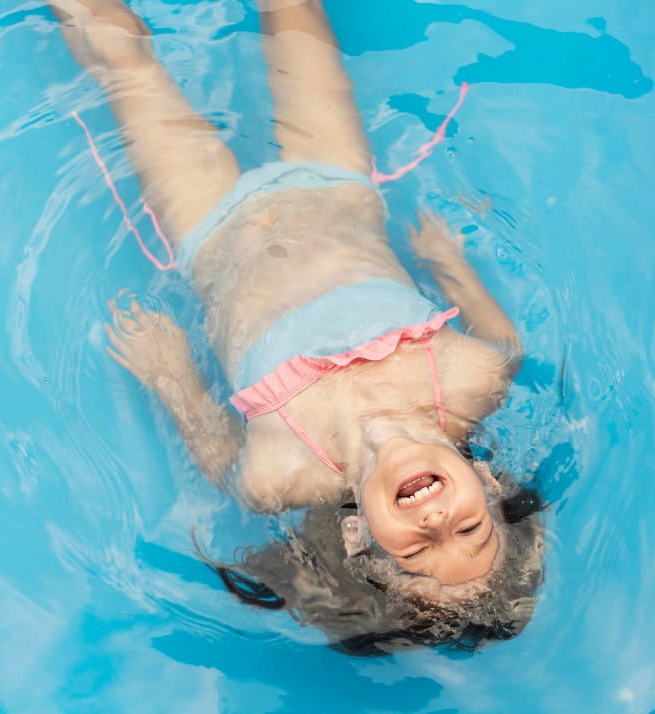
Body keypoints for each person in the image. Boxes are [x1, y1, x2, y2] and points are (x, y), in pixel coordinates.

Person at [49, 0, 544, 652]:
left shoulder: (283, 473)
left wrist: (171, 376)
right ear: (486, 484)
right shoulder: (470, 377)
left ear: (357, 537)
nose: (434, 519)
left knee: (124, 62)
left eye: (419, 550)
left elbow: (218, 454)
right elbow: (508, 343)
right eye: (469, 530)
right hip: (335, 183)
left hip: (209, 230)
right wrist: (450, 267)